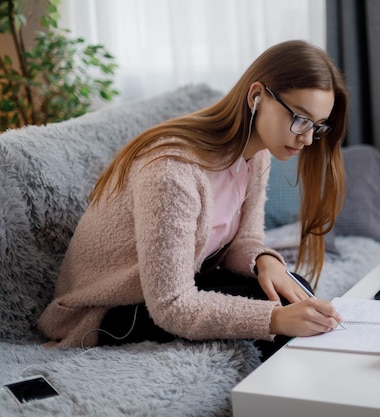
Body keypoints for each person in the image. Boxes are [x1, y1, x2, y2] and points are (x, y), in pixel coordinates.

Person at [38, 40, 348, 359]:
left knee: (296, 289)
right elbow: (172, 305)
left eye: (316, 126)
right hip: (109, 311)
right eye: (300, 118)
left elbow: (244, 241)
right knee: (283, 311)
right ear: (257, 96)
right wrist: (275, 320)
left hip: (179, 285)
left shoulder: (256, 158)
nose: (308, 138)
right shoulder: (172, 171)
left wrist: (264, 261)